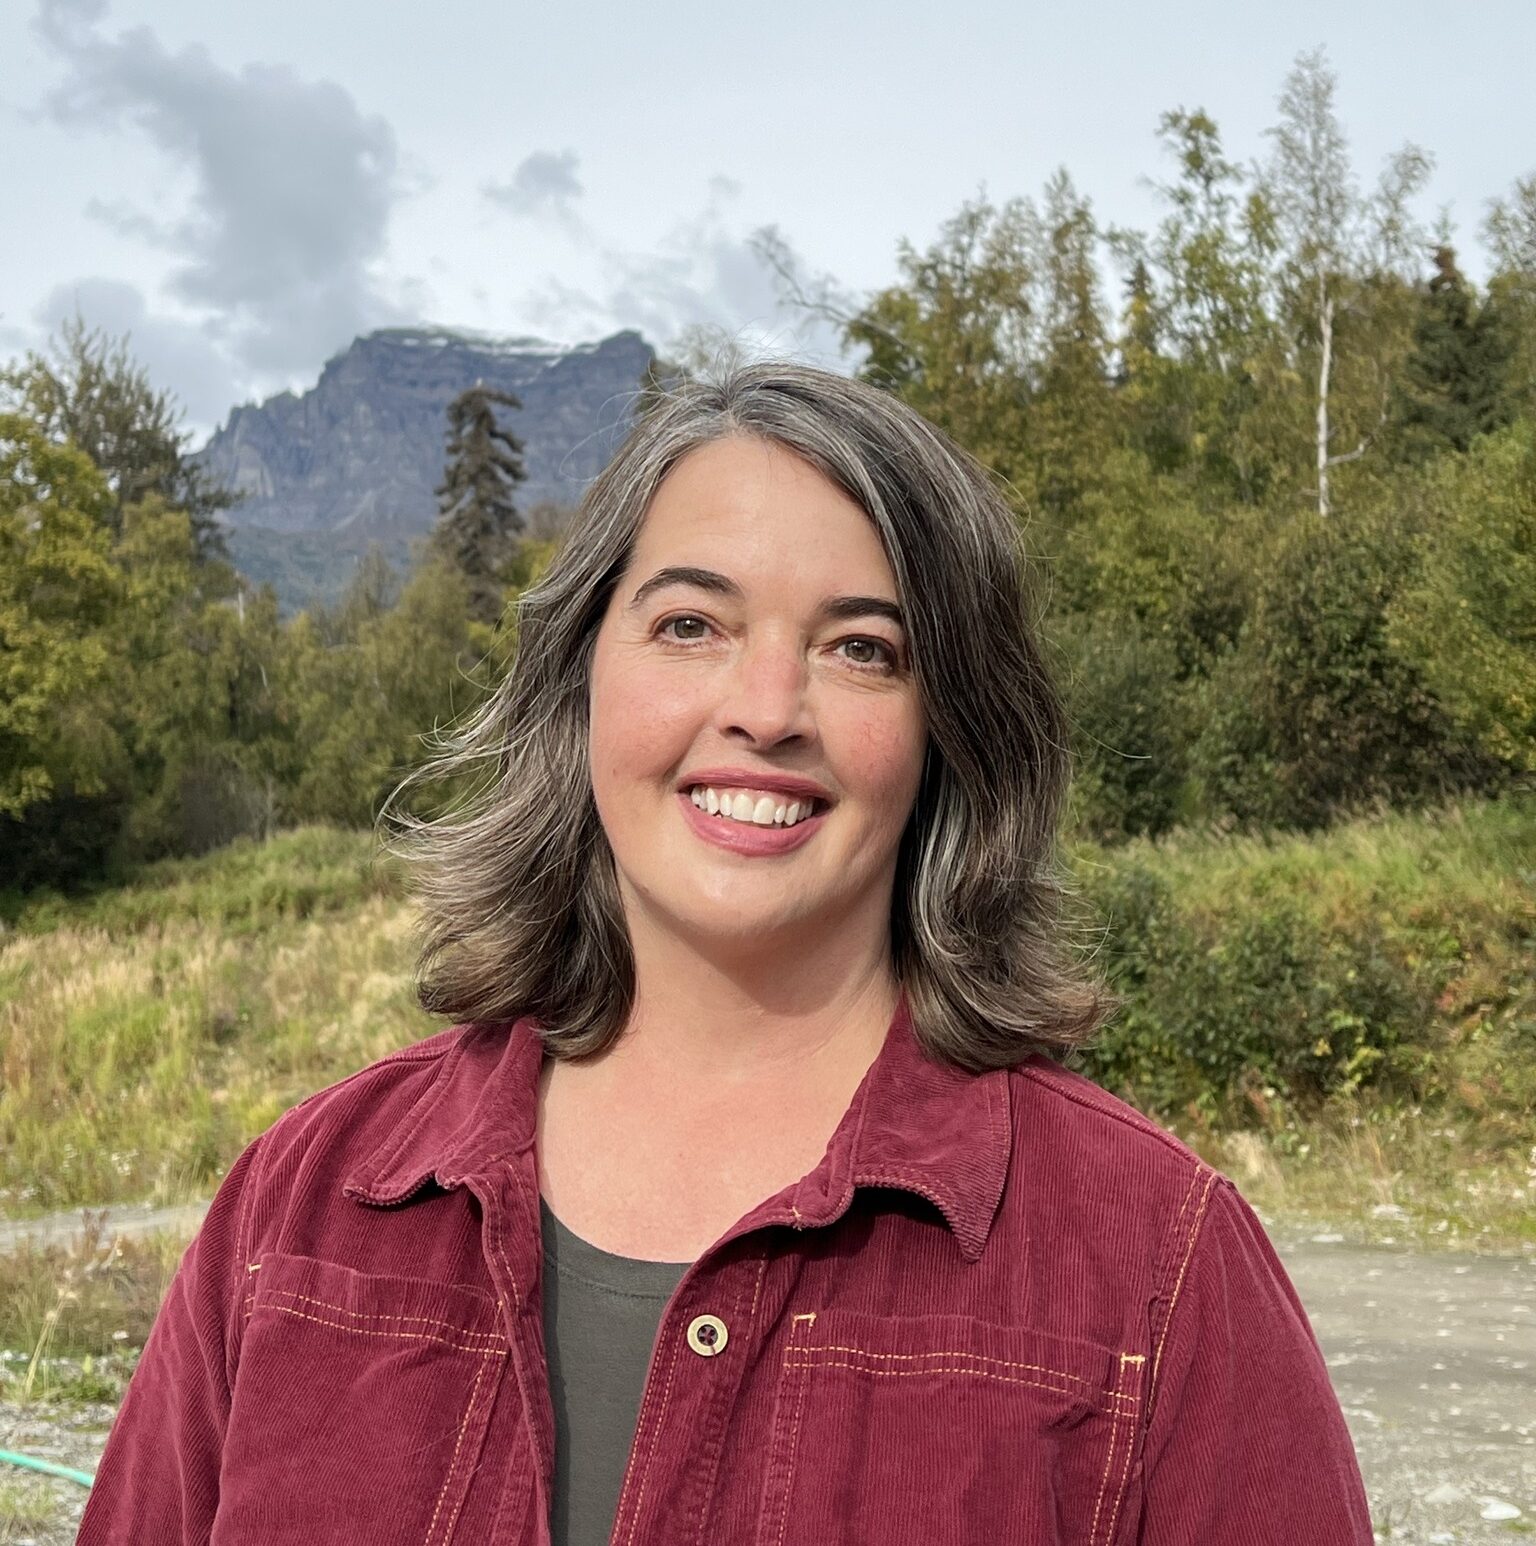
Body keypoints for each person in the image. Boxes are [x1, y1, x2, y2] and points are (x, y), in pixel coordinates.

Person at [77, 362, 1373, 1545]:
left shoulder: (1158, 1264)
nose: (764, 708)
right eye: (691, 624)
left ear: (951, 732)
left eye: (861, 648)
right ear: (583, 675)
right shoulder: (297, 1211)